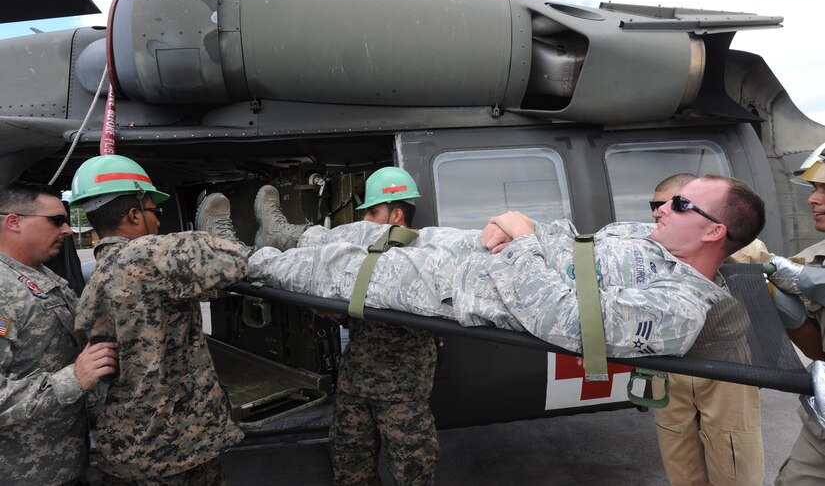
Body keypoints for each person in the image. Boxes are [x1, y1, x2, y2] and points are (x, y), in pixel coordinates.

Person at [239, 174, 765, 359]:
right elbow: (573, 242)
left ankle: (242, 259)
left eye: (678, 205)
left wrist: (519, 241)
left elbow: (564, 319)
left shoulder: (679, 309)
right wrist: (513, 226)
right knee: (388, 234)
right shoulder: (647, 239)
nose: (661, 208)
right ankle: (294, 236)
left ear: (714, 231)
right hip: (500, 253)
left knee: (350, 268)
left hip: (477, 289)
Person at [70, 155, 250, 485]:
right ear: (135, 214)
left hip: (128, 442)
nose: (157, 223)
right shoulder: (146, 253)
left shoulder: (95, 282)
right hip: (175, 446)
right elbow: (233, 260)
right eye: (157, 213)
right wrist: (210, 235)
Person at [650, 173, 767, 486]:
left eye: (676, 204)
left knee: (733, 460)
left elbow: (772, 283)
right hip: (670, 365)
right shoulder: (647, 255)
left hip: (727, 369)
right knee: (681, 462)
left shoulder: (743, 252)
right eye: (655, 205)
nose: (658, 212)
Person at [0, 181, 117, 485]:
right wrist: (73, 379)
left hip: (62, 464)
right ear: (14, 222)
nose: (67, 230)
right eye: (56, 220)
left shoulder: (37, 273)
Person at [329, 167, 439, 485]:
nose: (365, 222)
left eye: (373, 212)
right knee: (349, 470)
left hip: (401, 393)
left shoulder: (426, 260)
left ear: (396, 215)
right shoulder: (363, 258)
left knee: (414, 475)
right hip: (355, 386)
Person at [772, 145, 825, 485]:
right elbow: (818, 351)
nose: (812, 200)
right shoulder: (811, 258)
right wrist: (778, 299)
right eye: (816, 189)